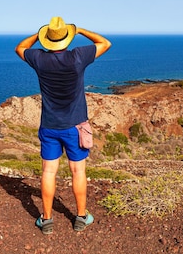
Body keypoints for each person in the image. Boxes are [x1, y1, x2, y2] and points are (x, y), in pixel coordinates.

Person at [15, 17, 111, 235]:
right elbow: (105, 43)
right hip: (75, 126)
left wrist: (40, 34)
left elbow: (20, 47)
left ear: (47, 41)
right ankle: (80, 217)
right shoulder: (77, 57)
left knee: (48, 171)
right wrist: (80, 30)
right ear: (67, 38)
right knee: (78, 171)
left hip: (49, 125)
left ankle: (46, 220)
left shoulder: (38, 58)